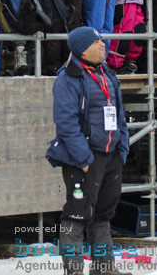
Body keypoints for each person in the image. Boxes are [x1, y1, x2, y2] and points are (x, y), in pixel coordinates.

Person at [45, 26, 129, 275]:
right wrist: (84, 159)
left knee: (103, 214)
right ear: (82, 49)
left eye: (102, 41)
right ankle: (74, 270)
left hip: (111, 155)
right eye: (97, 42)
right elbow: (66, 123)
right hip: (85, 159)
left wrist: (121, 148)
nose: (103, 44)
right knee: (77, 215)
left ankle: (104, 269)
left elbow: (121, 115)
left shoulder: (107, 73)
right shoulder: (67, 78)